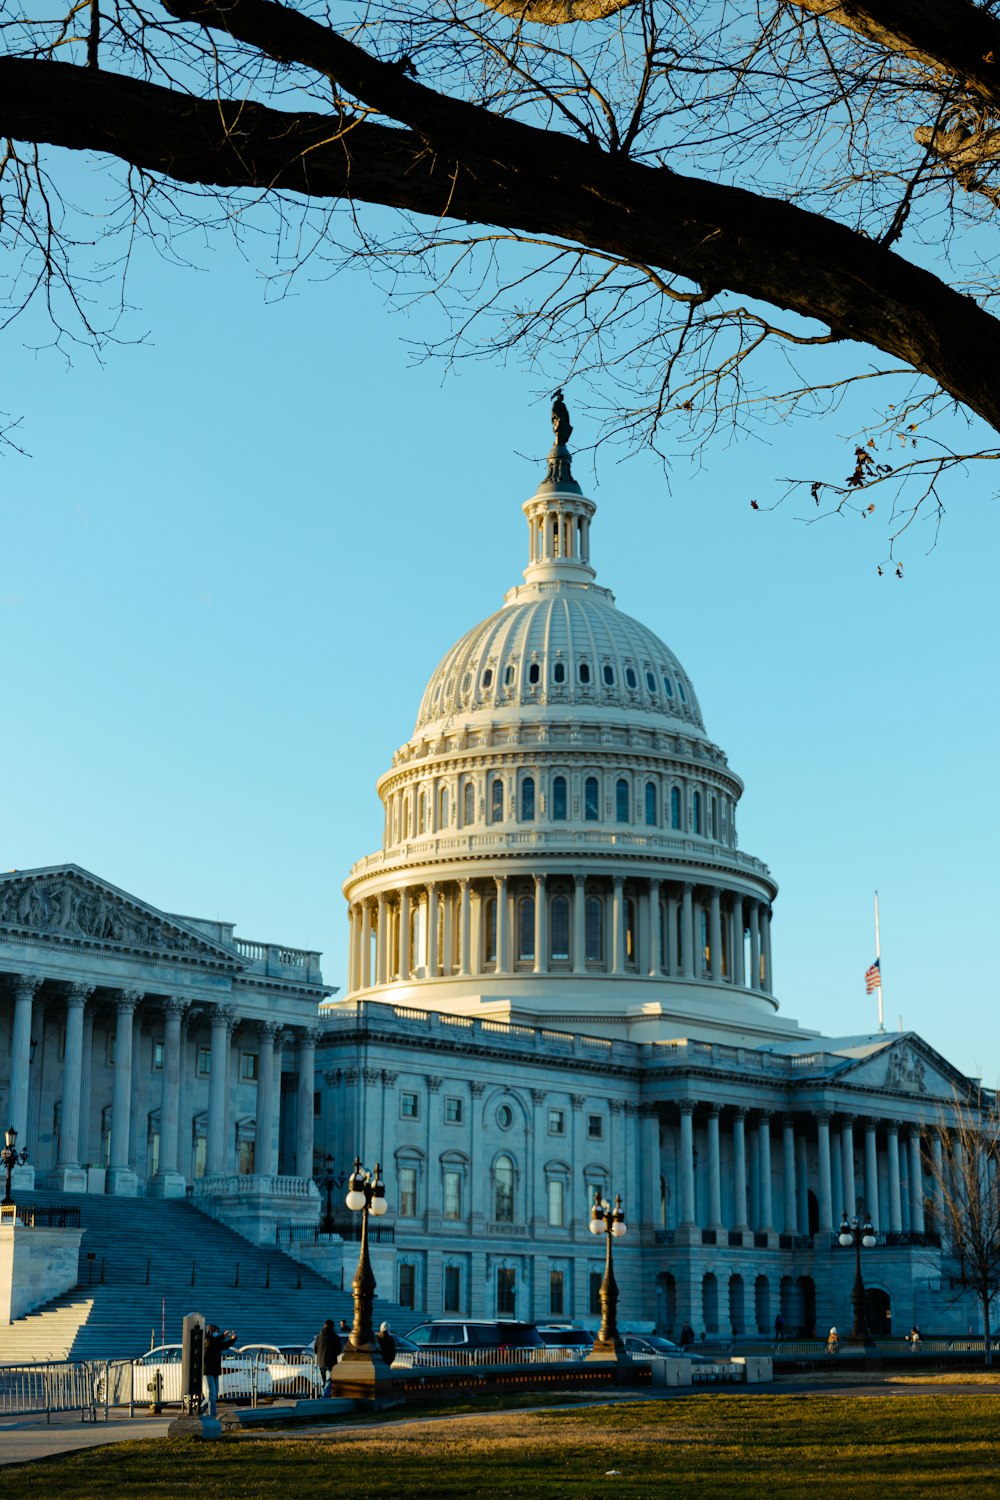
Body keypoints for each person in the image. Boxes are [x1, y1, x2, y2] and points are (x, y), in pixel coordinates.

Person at [203, 1324, 237, 1418]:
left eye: (217, 1332)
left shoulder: (216, 1342)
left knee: (215, 1393)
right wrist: (223, 1336)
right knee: (212, 1393)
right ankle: (211, 1413)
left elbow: (224, 1345)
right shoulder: (207, 1341)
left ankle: (200, 1409)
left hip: (215, 1370)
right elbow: (213, 1342)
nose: (216, 1333)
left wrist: (232, 1339)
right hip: (207, 1370)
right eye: (214, 1331)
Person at [313, 1319, 342, 1387]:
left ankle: (324, 1391)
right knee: (331, 1379)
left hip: (321, 1362)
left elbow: (315, 1350)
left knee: (323, 1379)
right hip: (332, 1362)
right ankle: (327, 1393)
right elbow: (339, 1350)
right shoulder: (335, 1337)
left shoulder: (318, 1337)